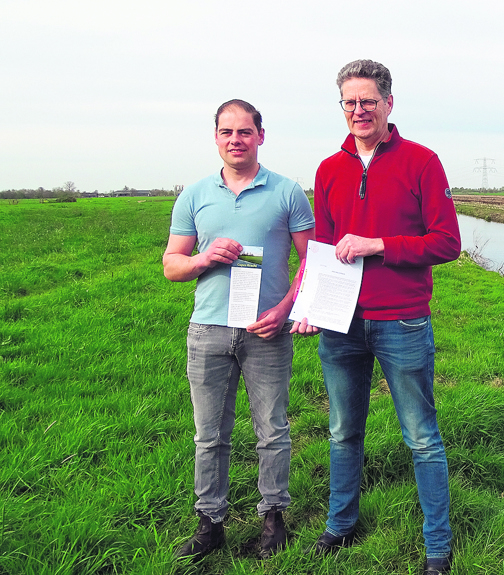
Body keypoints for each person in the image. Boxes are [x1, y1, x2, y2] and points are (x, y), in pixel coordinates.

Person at [291, 59, 460, 575]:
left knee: (422, 437)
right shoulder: (328, 168)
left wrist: (379, 245)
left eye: (368, 100)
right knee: (343, 431)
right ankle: (340, 525)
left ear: (389, 102)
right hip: (341, 322)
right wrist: (308, 305)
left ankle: (437, 545)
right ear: (341, 107)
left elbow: (447, 242)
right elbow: (320, 245)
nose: (359, 110)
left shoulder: (422, 162)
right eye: (350, 102)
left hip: (402, 319)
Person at [163, 99, 315, 561]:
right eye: (226, 132)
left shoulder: (288, 192)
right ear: (216, 138)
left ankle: (274, 517)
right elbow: (172, 265)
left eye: (245, 132)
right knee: (209, 434)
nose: (236, 140)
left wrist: (287, 308)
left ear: (260, 136)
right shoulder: (194, 195)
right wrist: (204, 258)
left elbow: (310, 261)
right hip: (207, 331)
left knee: (272, 429)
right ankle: (210, 522)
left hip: (266, 331)